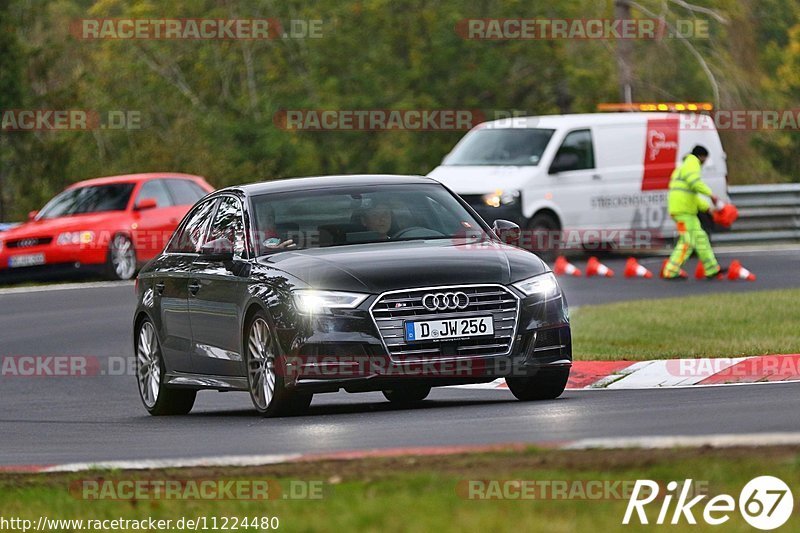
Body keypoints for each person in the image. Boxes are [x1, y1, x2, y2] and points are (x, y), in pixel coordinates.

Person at [661, 145, 724, 280]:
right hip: (682, 211)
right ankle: (671, 270)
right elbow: (694, 183)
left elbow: (691, 194)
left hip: (685, 211)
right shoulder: (692, 163)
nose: (705, 163)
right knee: (687, 241)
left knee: (700, 238)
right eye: (705, 159)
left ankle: (711, 268)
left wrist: (706, 207)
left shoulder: (684, 167)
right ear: (701, 156)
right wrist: (711, 195)